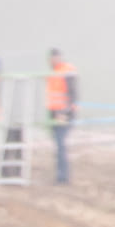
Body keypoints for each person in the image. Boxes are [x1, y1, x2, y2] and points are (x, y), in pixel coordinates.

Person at [47, 47, 78, 186]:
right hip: (54, 114)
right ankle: (60, 175)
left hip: (64, 115)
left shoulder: (67, 70)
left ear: (58, 58)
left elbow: (72, 94)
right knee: (58, 145)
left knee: (61, 144)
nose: (52, 61)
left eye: (54, 58)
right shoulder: (52, 73)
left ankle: (63, 177)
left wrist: (65, 113)